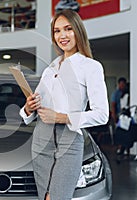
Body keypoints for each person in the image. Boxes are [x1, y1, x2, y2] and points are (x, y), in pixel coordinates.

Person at [19, 9, 109, 200]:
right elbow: (35, 109)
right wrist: (29, 106)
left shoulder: (91, 67)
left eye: (68, 29)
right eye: (57, 31)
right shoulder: (51, 68)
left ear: (78, 31)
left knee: (57, 197)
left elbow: (102, 115)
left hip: (69, 139)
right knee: (45, 197)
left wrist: (61, 117)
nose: (62, 36)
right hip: (41, 140)